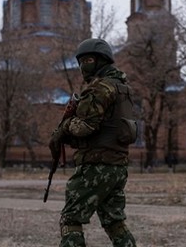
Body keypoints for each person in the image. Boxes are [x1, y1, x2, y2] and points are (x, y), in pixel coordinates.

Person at [49, 38, 138, 247]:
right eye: (80, 61)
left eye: (87, 60)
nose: (82, 66)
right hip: (117, 166)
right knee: (114, 222)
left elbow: (84, 127)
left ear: (100, 61)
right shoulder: (123, 88)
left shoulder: (100, 88)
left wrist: (65, 126)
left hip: (96, 166)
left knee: (71, 219)